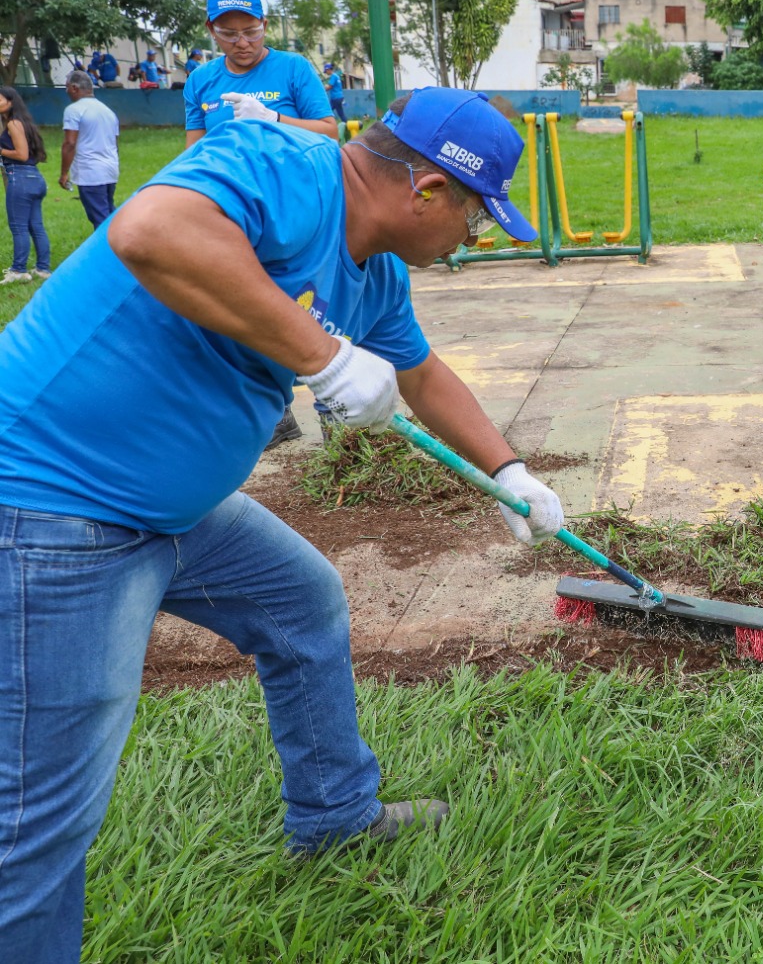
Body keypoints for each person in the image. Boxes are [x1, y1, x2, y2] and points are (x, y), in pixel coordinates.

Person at [0, 87, 557, 961]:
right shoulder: (288, 170)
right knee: (41, 813)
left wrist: (508, 471)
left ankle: (334, 814)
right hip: (58, 505)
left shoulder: (373, 273)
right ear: (429, 191)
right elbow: (150, 232)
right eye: (478, 222)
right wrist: (323, 356)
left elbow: (421, 375)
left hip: (171, 508)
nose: (469, 243)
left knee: (300, 601)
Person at [187, 0, 340, 448]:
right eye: (229, 33)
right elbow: (192, 154)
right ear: (212, 30)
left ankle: (335, 407)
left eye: (250, 31)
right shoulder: (202, 81)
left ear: (264, 25)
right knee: (246, 306)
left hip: (300, 207)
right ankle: (276, 415)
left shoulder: (292, 69)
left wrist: (271, 119)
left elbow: (329, 132)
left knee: (317, 305)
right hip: (241, 214)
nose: (242, 42)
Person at [0, 86, 51, 284]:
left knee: (19, 227)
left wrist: (1, 151)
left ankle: (19, 270)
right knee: (35, 226)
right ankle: (42, 268)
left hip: (19, 178)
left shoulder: (13, 123)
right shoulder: (24, 123)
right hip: (35, 179)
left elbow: (21, 155)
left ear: (10, 101)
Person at [59, 70, 121, 228]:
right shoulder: (108, 111)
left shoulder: (74, 110)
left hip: (91, 172)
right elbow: (115, 143)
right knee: (108, 215)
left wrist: (64, 173)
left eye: (66, 87)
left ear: (74, 88)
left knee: (100, 220)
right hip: (110, 170)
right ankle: (118, 248)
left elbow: (70, 143)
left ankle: (107, 252)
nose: (66, 91)